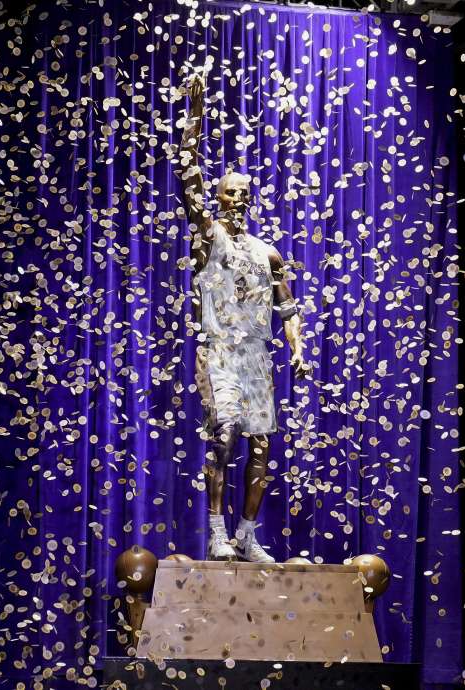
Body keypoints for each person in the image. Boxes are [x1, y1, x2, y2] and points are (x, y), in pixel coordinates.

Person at [176, 73, 311, 562]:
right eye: (232, 193)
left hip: (258, 356)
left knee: (261, 448)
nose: (241, 199)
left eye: (246, 193)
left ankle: (247, 534)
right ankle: (215, 529)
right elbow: (186, 176)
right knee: (225, 434)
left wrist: (296, 348)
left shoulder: (268, 252)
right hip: (220, 353)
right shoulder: (208, 238)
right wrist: (194, 120)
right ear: (220, 198)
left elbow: (288, 306)